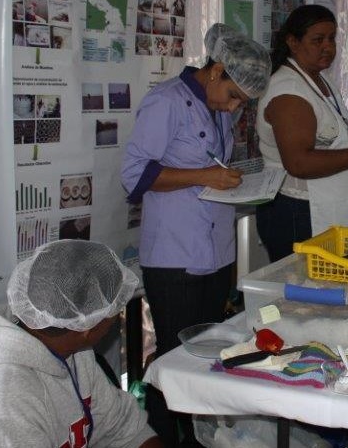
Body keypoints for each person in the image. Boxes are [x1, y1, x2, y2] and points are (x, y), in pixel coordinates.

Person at [121, 23, 271, 446]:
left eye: (242, 101)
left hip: (218, 250)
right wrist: (203, 175)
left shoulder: (220, 104)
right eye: (234, 95)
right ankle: (161, 438)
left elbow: (217, 165)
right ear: (216, 69)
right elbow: (134, 177)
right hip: (174, 256)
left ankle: (202, 438)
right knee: (173, 357)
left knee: (208, 352)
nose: (234, 107)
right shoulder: (166, 101)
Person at [0, 240, 162, 447]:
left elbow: (123, 427)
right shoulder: (2, 403)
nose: (118, 313)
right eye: (116, 307)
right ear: (88, 328)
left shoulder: (75, 351)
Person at [255, 4, 348, 261]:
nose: (328, 47)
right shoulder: (288, 92)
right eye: (318, 40)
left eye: (332, 38)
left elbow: (331, 140)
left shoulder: (318, 78)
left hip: (326, 206)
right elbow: (299, 163)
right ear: (293, 42)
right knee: (305, 294)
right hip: (299, 211)